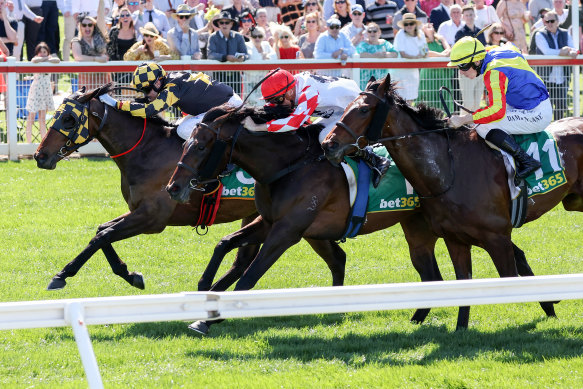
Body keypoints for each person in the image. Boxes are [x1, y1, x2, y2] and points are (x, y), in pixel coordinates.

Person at [241, 68, 392, 186]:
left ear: (290, 91)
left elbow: (293, 122)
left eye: (279, 99)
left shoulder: (309, 91)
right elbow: (275, 110)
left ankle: (375, 159)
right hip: (337, 110)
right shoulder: (293, 86)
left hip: (353, 111)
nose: (277, 104)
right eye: (273, 100)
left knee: (324, 137)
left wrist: (257, 127)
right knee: (310, 132)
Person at [446, 36, 552, 179]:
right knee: (483, 117)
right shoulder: (494, 51)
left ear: (477, 61)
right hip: (531, 102)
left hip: (536, 113)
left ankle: (527, 161)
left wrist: (464, 119)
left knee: (481, 126)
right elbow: (513, 46)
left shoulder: (493, 73)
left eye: (463, 66)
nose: (461, 72)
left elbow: (497, 111)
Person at [98, 62, 243, 140]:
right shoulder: (170, 81)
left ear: (158, 82)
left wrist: (116, 104)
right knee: (177, 126)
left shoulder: (172, 88)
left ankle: (219, 160)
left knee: (183, 130)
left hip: (228, 105)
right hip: (222, 102)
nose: (146, 94)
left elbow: (150, 110)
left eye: (147, 89)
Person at [534, 10, 578, 119]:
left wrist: (572, 52)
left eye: (552, 21)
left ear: (557, 21)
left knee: (561, 107)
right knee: (545, 108)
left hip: (562, 77)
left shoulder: (565, 33)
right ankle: (546, 131)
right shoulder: (539, 34)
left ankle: (558, 131)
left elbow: (573, 48)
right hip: (546, 78)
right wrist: (562, 52)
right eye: (546, 21)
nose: (549, 23)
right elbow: (546, 51)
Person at [454, 5, 485, 112]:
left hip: (480, 71)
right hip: (467, 71)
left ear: (475, 15)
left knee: (477, 103)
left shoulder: (480, 32)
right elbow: (459, 54)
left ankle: (473, 126)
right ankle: (463, 125)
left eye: (471, 14)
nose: (469, 17)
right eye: (467, 15)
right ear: (463, 17)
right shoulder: (460, 33)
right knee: (468, 103)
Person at [25, 42, 57, 143]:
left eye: (45, 52)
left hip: (45, 91)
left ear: (48, 52)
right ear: (37, 53)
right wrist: (45, 59)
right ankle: (29, 142)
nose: (43, 54)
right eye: (40, 52)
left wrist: (48, 58)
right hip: (36, 91)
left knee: (42, 118)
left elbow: (57, 60)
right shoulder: (37, 60)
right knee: (31, 117)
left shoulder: (50, 60)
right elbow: (34, 60)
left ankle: (43, 143)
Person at [392, 13, 427, 104]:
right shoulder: (400, 34)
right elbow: (403, 54)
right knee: (399, 98)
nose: (409, 26)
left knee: (411, 98)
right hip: (400, 71)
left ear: (415, 24)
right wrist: (417, 58)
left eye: (411, 23)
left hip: (413, 70)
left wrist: (421, 56)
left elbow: (425, 50)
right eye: (406, 24)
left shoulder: (421, 34)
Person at [418, 22, 453, 110]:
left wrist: (441, 55)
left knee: (443, 96)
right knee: (429, 97)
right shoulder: (421, 40)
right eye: (426, 25)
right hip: (428, 74)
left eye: (430, 25)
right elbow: (427, 52)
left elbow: (449, 49)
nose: (429, 25)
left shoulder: (441, 38)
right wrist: (442, 56)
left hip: (442, 73)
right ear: (423, 30)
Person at [71, 15, 111, 89]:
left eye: (90, 25)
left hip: (103, 76)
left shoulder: (99, 39)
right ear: (80, 27)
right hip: (86, 79)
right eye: (84, 25)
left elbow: (101, 16)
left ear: (94, 26)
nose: (87, 27)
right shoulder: (76, 41)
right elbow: (78, 57)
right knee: (88, 99)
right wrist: (96, 59)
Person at [356, 21, 398, 88]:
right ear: (367, 33)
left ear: (379, 32)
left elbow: (395, 54)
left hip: (382, 80)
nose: (372, 33)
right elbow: (360, 54)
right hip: (365, 80)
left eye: (375, 31)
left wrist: (385, 55)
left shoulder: (385, 43)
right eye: (369, 31)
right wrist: (376, 56)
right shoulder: (363, 44)